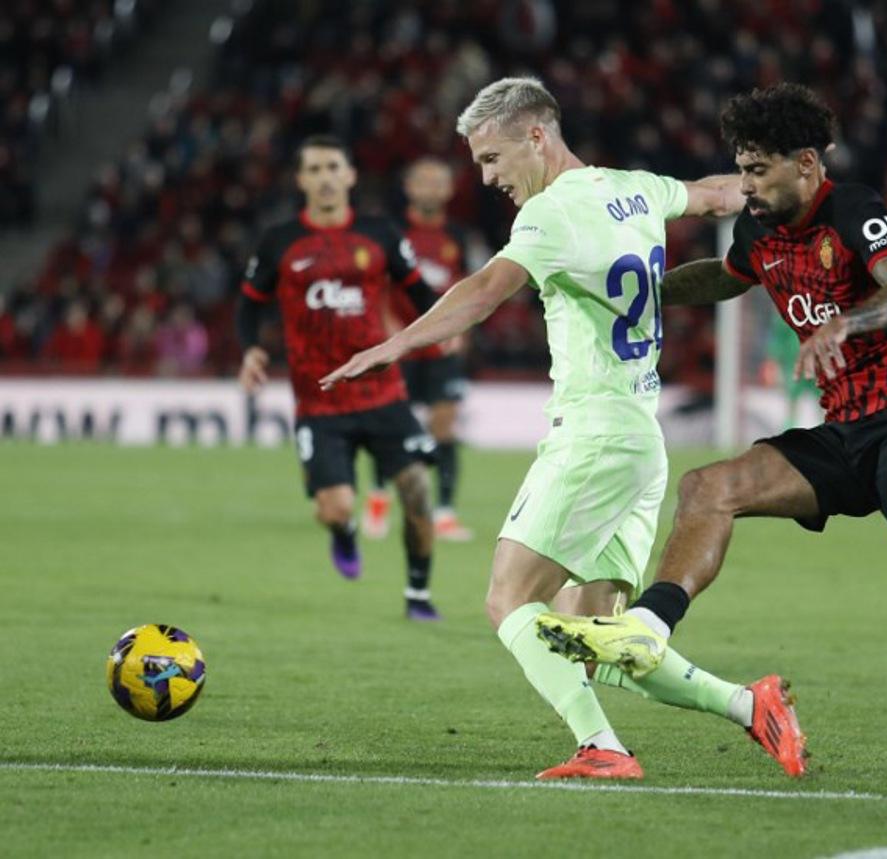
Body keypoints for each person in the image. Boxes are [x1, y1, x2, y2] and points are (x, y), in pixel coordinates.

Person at [536, 83, 887, 799]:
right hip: (846, 424)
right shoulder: (759, 234)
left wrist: (844, 323)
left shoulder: (854, 209)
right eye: (742, 169)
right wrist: (635, 288)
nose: (746, 185)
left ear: (808, 163)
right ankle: (645, 627)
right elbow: (722, 281)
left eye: (759, 170)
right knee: (710, 487)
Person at [321, 77, 806, 780]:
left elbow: (486, 289)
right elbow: (713, 193)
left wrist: (396, 344)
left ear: (537, 137)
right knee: (598, 644)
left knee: (507, 597)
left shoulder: (550, 215)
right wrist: (786, 185)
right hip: (640, 440)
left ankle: (603, 749)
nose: (487, 178)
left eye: (492, 158)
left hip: (595, 434)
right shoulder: (633, 187)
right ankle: (749, 704)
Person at [236, 134, 442, 622]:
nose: (325, 177)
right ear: (301, 179)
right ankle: (344, 531)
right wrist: (249, 350)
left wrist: (443, 331)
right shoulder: (280, 241)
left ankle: (417, 595)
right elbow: (249, 302)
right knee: (334, 509)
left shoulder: (380, 233)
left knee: (415, 489)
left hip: (383, 393)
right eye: (315, 169)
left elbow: (419, 292)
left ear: (350, 176)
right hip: (319, 401)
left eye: (333, 167)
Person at [364, 156, 474, 543]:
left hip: (441, 347)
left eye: (438, 181)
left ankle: (444, 513)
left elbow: (469, 286)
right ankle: (378, 499)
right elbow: (374, 283)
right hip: (400, 347)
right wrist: (388, 328)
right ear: (409, 187)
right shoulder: (391, 231)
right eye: (423, 181)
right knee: (390, 425)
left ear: (448, 190)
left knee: (443, 425)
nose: (430, 188)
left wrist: (460, 329)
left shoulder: (457, 236)